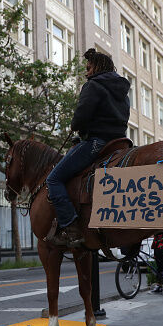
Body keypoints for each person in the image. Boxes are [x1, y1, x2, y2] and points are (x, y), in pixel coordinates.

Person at [47, 48, 131, 246]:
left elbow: (81, 117)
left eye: (88, 67)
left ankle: (71, 227)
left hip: (96, 143)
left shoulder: (93, 85)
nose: (86, 72)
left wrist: (75, 126)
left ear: (98, 67)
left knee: (54, 179)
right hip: (119, 143)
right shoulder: (123, 92)